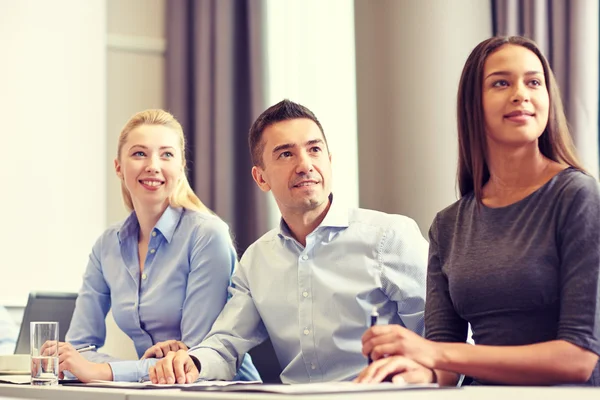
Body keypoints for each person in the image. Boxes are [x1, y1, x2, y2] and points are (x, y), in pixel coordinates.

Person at [355, 36, 600, 386]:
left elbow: (578, 357)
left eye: (533, 82)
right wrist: (408, 372)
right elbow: (445, 360)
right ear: (473, 103)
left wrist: (435, 354)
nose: (521, 93)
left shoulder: (577, 195)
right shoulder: (448, 224)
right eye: (501, 82)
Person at [149, 99, 429, 385]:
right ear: (261, 178)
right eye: (286, 154)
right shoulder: (256, 260)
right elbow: (226, 345)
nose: (305, 165)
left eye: (315, 150)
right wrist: (192, 362)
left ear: (329, 161)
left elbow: (442, 342)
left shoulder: (390, 237)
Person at [54, 109, 260, 383]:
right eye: (139, 154)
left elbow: (194, 361)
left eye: (166, 154)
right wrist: (134, 368)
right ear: (118, 166)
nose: (153, 165)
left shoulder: (207, 236)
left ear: (181, 165)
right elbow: (78, 348)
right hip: (155, 391)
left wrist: (104, 370)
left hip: (221, 392)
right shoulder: (107, 246)